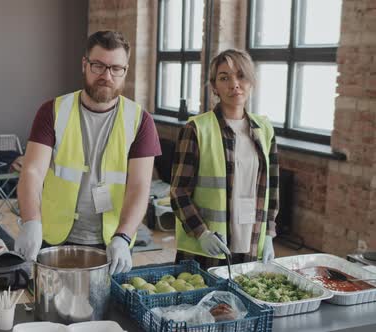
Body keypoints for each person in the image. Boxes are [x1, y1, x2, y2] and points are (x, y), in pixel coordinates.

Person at [14, 30, 161, 275]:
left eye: (116, 68)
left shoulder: (140, 120)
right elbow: (32, 171)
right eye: (98, 66)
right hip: (54, 236)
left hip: (112, 242)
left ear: (126, 70)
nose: (106, 75)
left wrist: (124, 236)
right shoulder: (52, 111)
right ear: (85, 64)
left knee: (107, 311)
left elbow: (139, 186)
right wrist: (31, 222)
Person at [170, 49, 279, 270]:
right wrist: (202, 233)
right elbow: (178, 192)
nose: (234, 84)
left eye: (241, 75)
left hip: (251, 243)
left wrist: (269, 234)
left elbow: (272, 188)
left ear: (251, 81)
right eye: (224, 77)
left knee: (241, 304)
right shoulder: (196, 129)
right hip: (206, 248)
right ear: (214, 86)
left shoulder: (264, 129)